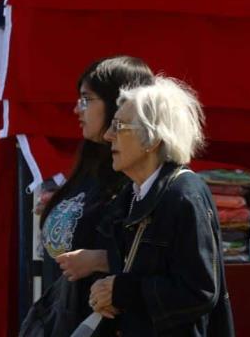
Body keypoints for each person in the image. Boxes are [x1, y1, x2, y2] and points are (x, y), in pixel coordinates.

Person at [89, 77, 234, 336]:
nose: (108, 135)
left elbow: (199, 291)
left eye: (119, 126)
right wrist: (106, 293)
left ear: (152, 139)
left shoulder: (183, 195)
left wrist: (123, 291)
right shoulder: (129, 196)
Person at [24, 56, 154, 337]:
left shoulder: (139, 177)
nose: (77, 109)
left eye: (87, 99)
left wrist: (102, 260)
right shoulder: (90, 167)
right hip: (70, 316)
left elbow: (166, 260)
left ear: (117, 102)